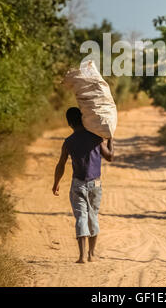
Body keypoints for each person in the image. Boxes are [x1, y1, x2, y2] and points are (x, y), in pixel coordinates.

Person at [52, 107, 114, 263]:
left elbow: (61, 165)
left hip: (78, 184)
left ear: (69, 123)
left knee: (81, 217)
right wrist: (110, 138)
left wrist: (56, 183)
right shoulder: (96, 138)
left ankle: (81, 256)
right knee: (93, 216)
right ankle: (91, 255)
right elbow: (110, 157)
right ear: (83, 119)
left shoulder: (68, 142)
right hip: (96, 184)